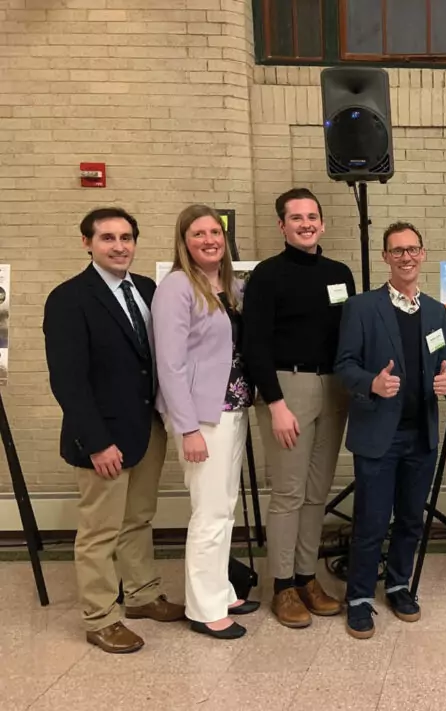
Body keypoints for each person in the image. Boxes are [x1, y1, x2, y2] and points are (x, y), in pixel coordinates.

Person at [43, 208, 185, 654]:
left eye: (126, 237)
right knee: (100, 531)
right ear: (87, 243)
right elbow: (68, 381)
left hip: (146, 429)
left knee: (138, 519)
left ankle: (141, 595)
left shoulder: (146, 289)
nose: (119, 246)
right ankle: (101, 617)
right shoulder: (69, 298)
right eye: (108, 238)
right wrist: (98, 441)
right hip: (103, 437)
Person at [335, 222, 446, 639]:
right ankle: (359, 597)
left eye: (413, 249)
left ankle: (400, 585)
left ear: (423, 254)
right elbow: (344, 365)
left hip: (420, 434)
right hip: (378, 436)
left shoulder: (437, 311)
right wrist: (371, 382)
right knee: (370, 520)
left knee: (409, 518)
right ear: (385, 257)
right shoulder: (362, 308)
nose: (406, 257)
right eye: (397, 250)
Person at [242, 188, 355, 628]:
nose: (306, 224)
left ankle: (308, 577)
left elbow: (349, 332)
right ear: (282, 226)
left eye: (312, 216)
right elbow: (254, 346)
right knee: (288, 494)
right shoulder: (267, 276)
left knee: (316, 493)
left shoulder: (339, 273)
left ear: (322, 223)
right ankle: (283, 585)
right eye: (296, 218)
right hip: (286, 389)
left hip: (333, 389)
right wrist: (276, 404)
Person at [152, 205, 260, 640]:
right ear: (184, 240)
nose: (209, 239)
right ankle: (203, 608)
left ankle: (220, 589)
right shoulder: (177, 287)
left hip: (231, 409)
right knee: (209, 513)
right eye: (199, 233)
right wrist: (188, 428)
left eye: (215, 231)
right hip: (201, 417)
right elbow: (170, 364)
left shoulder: (230, 285)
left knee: (223, 509)